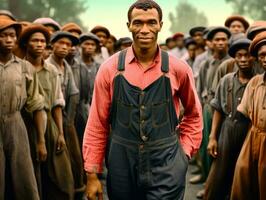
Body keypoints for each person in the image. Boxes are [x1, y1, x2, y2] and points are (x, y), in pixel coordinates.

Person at [83, 1, 202, 199]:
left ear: (160, 26)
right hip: (121, 162)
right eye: (138, 23)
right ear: (129, 25)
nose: (144, 30)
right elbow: (97, 123)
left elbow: (193, 114)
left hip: (167, 161)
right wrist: (92, 173)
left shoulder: (178, 68)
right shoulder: (110, 69)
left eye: (151, 23)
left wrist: (184, 153)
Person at [18, 24, 76, 200]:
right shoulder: (19, 68)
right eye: (35, 40)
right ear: (26, 44)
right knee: (30, 174)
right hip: (25, 126)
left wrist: (60, 133)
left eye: (43, 41)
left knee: (61, 175)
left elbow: (57, 103)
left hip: (49, 125)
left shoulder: (51, 70)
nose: (39, 44)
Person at [0, 19, 46, 200]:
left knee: (23, 176)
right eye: (3, 36)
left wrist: (41, 141)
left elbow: (36, 104)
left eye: (12, 36)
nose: (9, 40)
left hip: (16, 125)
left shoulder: (25, 67)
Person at [204, 38, 254, 200]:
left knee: (244, 175)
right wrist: (213, 137)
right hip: (227, 129)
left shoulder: (257, 81)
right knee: (218, 174)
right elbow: (218, 108)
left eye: (247, 55)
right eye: (239, 56)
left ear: (253, 57)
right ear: (234, 58)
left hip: (248, 131)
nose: (243, 59)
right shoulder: (226, 80)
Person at [46, 31, 85, 199]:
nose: (64, 47)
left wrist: (68, 122)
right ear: (52, 45)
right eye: (60, 43)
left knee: (75, 159)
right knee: (57, 164)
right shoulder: (49, 65)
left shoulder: (66, 66)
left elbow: (73, 94)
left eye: (68, 45)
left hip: (67, 121)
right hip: (50, 121)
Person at [230, 31, 266, 200]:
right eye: (262, 55)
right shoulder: (255, 82)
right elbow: (245, 111)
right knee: (244, 175)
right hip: (253, 137)